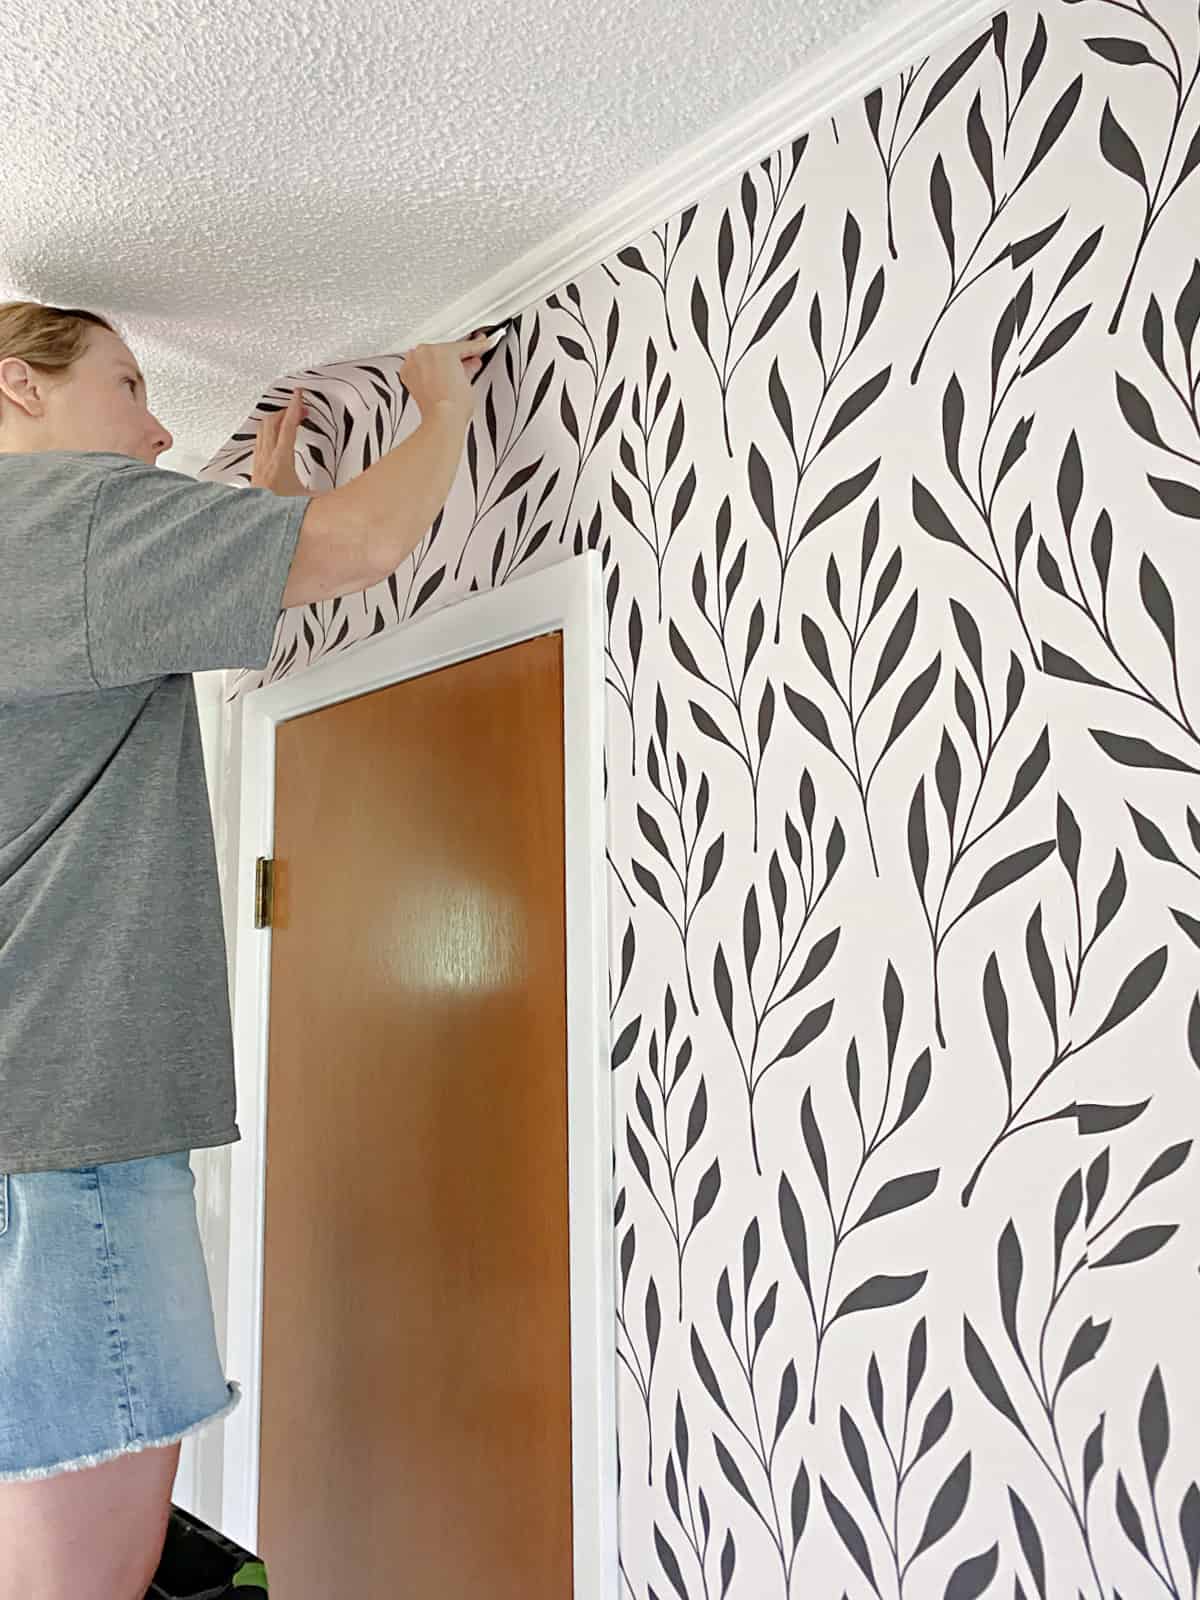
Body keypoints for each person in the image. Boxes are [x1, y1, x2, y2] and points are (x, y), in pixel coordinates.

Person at [0, 301, 489, 1598]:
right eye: (125, 383)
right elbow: (369, 541)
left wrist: (259, 495)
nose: (159, 428)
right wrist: (442, 401)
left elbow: (163, 642)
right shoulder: (71, 519)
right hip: (73, 1132)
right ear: (16, 389)